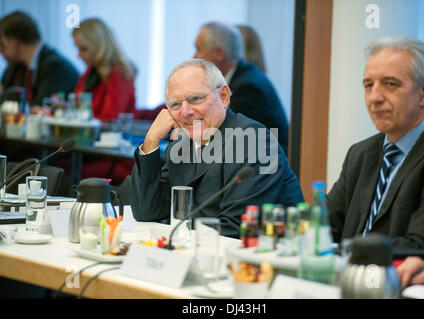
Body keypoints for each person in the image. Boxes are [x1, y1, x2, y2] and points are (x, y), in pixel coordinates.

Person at [130, 59, 304, 238]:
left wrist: (176, 239)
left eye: (196, 98)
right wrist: (151, 141)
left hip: (271, 258)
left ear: (224, 96)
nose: (185, 111)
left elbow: (235, 228)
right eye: (175, 104)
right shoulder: (182, 145)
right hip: (203, 255)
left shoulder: (252, 139)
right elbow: (147, 212)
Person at [327, 37, 424, 251]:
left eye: (390, 84)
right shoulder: (360, 154)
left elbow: (421, 245)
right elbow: (322, 227)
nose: (374, 97)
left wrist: (346, 251)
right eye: (368, 85)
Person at [193, 22, 289, 155]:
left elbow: (215, 133)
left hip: (265, 168)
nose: (194, 57)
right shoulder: (237, 76)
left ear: (219, 53)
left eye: (198, 49)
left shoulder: (248, 87)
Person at [0, 11, 79, 105]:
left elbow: (39, 108)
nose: (1, 52)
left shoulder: (56, 68)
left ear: (14, 42)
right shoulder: (15, 67)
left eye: (2, 45)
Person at [72, 18, 136, 121]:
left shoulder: (119, 73)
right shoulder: (91, 72)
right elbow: (76, 108)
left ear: (99, 47)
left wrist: (76, 117)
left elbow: (110, 119)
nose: (79, 56)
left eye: (84, 49)